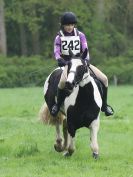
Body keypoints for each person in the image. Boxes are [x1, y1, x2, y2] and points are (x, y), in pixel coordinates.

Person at [51, 11, 114, 117]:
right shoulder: (59, 37)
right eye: (67, 25)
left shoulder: (80, 35)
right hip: (68, 64)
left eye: (71, 24)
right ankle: (57, 105)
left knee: (104, 79)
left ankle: (105, 105)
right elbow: (56, 51)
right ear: (63, 25)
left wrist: (86, 59)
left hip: (81, 63)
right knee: (62, 82)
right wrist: (59, 59)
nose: (70, 27)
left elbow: (85, 49)